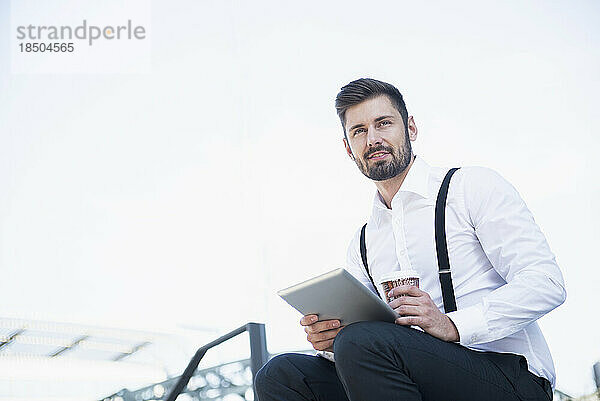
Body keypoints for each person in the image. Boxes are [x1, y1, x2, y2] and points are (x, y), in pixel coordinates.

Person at [254, 78, 566, 401]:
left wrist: (453, 325)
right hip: (415, 381)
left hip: (511, 380)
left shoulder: (470, 188)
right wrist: (331, 339)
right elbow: (364, 348)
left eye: (383, 123)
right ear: (348, 149)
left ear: (411, 128)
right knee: (281, 375)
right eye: (359, 131)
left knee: (362, 341)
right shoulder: (363, 243)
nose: (372, 139)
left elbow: (546, 283)